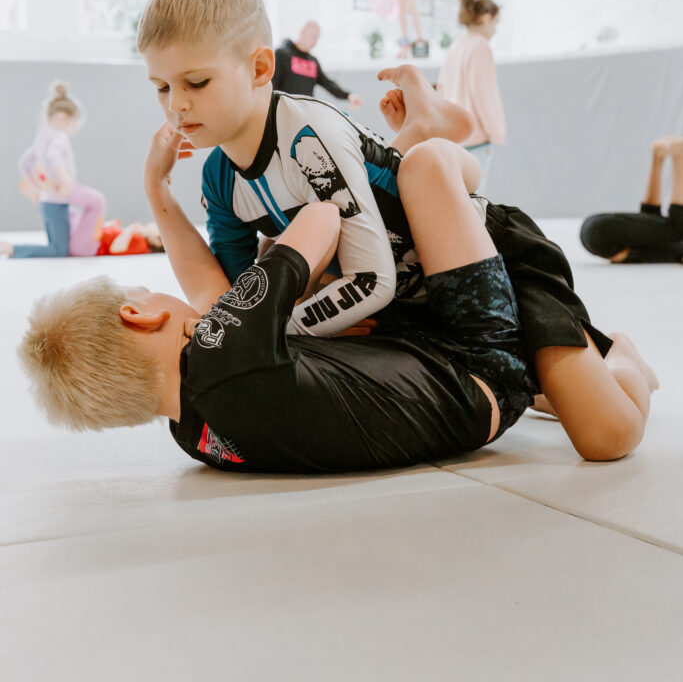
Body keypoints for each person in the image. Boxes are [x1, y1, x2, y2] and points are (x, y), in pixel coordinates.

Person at [19, 119, 656, 470]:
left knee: (327, 299)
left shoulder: (196, 434)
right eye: (143, 287)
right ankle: (618, 353)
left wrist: (161, 195)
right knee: (426, 166)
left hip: (442, 379)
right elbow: (323, 219)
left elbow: (215, 305)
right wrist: (289, 188)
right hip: (477, 360)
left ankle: (434, 148)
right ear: (140, 314)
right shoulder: (227, 345)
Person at [135, 0, 474, 337]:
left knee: (423, 168)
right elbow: (234, 297)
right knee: (276, 253)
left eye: (196, 82)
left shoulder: (307, 139)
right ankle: (419, 127)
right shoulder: (218, 175)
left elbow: (371, 281)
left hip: (458, 258)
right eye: (162, 87)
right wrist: (155, 184)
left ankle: (425, 131)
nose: (176, 104)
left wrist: (277, 330)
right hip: (397, 302)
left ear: (261, 68)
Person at [0, 82, 106, 259]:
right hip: (57, 204)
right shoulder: (59, 136)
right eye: (73, 126)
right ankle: (10, 249)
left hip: (46, 203)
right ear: (64, 118)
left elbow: (24, 162)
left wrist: (35, 186)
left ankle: (11, 249)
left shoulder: (42, 138)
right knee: (58, 250)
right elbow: (53, 155)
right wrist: (64, 180)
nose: (71, 131)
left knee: (55, 246)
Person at [437, 0, 506, 190]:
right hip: (476, 137)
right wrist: (495, 131)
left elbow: (442, 89)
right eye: (495, 23)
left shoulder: (455, 46)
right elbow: (484, 95)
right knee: (476, 200)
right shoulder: (481, 46)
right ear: (486, 17)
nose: (495, 29)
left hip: (454, 135)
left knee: (458, 196)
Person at [581, 135, 683, 264]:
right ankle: (662, 156)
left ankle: (669, 156)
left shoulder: (675, 247)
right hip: (595, 232)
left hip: (598, 233)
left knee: (673, 227)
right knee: (660, 222)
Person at [272, 21, 363, 109]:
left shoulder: (313, 62)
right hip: (283, 111)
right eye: (312, 36)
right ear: (302, 33)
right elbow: (273, 85)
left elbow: (328, 83)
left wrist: (348, 96)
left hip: (305, 112)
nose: (315, 41)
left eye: (317, 38)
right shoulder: (282, 54)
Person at [96, 219, 164, 256]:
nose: (153, 224)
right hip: (97, 235)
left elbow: (115, 250)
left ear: (157, 240)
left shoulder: (141, 244)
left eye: (156, 227)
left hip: (96, 241)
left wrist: (130, 229)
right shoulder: (140, 238)